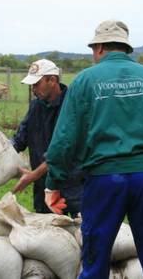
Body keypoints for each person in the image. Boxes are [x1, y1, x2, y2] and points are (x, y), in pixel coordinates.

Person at [44, 20, 143, 279]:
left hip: (105, 179)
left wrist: (54, 182)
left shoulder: (85, 80)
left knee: (95, 259)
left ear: (99, 48)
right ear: (125, 47)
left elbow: (64, 139)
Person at [11, 59, 84, 218]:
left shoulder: (73, 105)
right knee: (47, 233)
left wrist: (34, 174)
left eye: (36, 84)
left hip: (73, 187)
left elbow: (65, 149)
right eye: (31, 85)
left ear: (52, 80)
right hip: (43, 187)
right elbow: (19, 139)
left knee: (79, 232)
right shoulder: (36, 107)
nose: (33, 89)